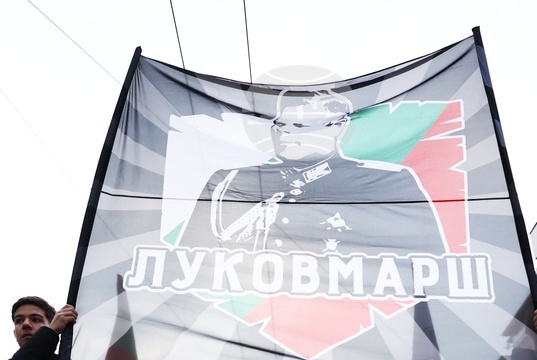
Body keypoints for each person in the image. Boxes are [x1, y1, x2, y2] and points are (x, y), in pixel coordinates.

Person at [180, 88, 447, 258]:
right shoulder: (229, 180)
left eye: (299, 125)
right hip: (248, 305)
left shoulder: (389, 182)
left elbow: (434, 261)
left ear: (338, 127)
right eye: (279, 125)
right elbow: (187, 256)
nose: (284, 134)